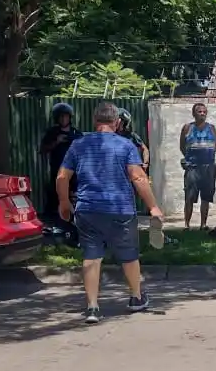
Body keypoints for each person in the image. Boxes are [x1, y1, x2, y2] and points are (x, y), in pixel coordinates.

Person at [56, 101, 164, 325]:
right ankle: (136, 297)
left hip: (87, 209)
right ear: (116, 123)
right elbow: (138, 177)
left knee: (91, 257)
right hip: (120, 209)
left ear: (95, 121)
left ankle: (93, 307)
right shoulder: (126, 146)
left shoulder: (79, 144)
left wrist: (65, 204)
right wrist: (153, 206)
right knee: (129, 255)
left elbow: (62, 177)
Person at [40, 102, 82, 221]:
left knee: (75, 199)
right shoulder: (52, 133)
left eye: (66, 116)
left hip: (74, 174)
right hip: (57, 172)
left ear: (70, 117)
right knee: (54, 198)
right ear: (57, 118)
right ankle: (55, 223)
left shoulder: (76, 133)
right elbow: (43, 149)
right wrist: (56, 142)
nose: (64, 119)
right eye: (61, 116)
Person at [179, 102, 216, 230]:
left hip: (208, 168)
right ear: (193, 113)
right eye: (199, 111)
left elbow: (215, 146)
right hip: (193, 168)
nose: (202, 114)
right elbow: (182, 146)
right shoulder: (187, 128)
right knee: (189, 196)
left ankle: (203, 224)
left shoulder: (211, 128)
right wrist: (190, 158)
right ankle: (187, 225)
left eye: (204, 112)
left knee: (206, 197)